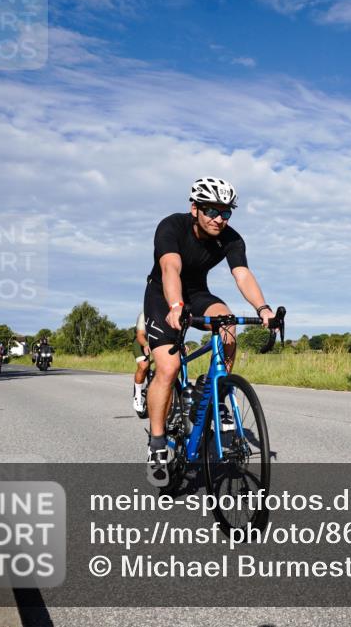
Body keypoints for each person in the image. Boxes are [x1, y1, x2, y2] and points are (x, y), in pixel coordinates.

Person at [143, 177, 274, 488]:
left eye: (225, 212)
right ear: (194, 208)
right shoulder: (171, 227)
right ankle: (158, 445)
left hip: (197, 292)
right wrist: (175, 305)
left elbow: (242, 275)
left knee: (227, 322)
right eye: (212, 211)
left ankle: (215, 389)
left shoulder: (231, 238)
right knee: (169, 367)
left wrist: (263, 309)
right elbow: (170, 268)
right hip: (163, 295)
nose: (219, 219)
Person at [132, 311, 150, 415]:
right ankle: (137, 396)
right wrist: (146, 344)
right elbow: (140, 335)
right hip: (141, 340)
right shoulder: (144, 314)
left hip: (157, 341)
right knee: (144, 365)